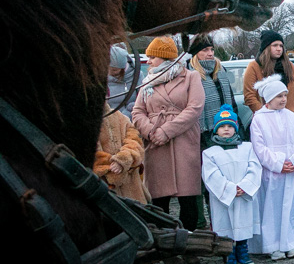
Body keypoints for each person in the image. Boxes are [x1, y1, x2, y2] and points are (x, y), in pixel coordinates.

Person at [132, 36, 204, 231]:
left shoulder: (190, 77)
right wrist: (149, 131)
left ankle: (189, 244)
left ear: (164, 57)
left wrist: (167, 131)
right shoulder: (147, 81)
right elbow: (137, 111)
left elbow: (194, 108)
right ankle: (166, 248)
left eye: (153, 57)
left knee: (187, 198)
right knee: (158, 199)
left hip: (182, 140)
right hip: (156, 143)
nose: (149, 61)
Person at [249, 75, 294, 260]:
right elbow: (259, 148)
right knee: (271, 207)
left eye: (284, 95)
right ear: (268, 98)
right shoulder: (259, 119)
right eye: (279, 96)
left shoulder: (290, 116)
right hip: (271, 172)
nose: (283, 99)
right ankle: (272, 245)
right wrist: (279, 164)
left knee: (288, 206)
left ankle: (288, 242)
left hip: (290, 171)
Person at [202, 104, 262, 264]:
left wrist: (245, 186)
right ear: (216, 130)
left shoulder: (247, 147)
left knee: (243, 222)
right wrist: (229, 189)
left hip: (243, 195)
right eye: (222, 126)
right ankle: (228, 254)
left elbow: (254, 168)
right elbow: (211, 175)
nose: (226, 129)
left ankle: (243, 252)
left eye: (230, 126)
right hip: (224, 198)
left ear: (235, 128)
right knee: (226, 225)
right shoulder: (210, 152)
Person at [187, 34, 236, 229]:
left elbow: (230, 100)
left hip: (222, 130)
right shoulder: (190, 73)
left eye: (211, 50)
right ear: (195, 54)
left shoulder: (220, 71)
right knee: (200, 179)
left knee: (221, 176)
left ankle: (220, 219)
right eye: (204, 50)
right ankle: (200, 222)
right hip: (199, 133)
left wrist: (235, 124)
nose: (209, 54)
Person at [243, 29, 294, 120]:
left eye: (281, 46)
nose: (279, 49)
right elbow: (249, 96)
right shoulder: (254, 66)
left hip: (291, 119)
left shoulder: (289, 65)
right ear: (266, 47)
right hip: (268, 121)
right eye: (275, 45)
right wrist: (265, 115)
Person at [93, 102, 147, 204]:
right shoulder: (83, 122)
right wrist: (110, 169)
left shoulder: (120, 117)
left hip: (133, 189)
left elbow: (135, 141)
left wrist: (123, 160)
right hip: (104, 189)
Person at [107, 44, 138, 118]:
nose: (110, 73)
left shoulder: (136, 75)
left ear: (123, 68)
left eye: (114, 70)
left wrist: (125, 116)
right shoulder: (101, 77)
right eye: (108, 68)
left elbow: (141, 100)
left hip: (128, 119)